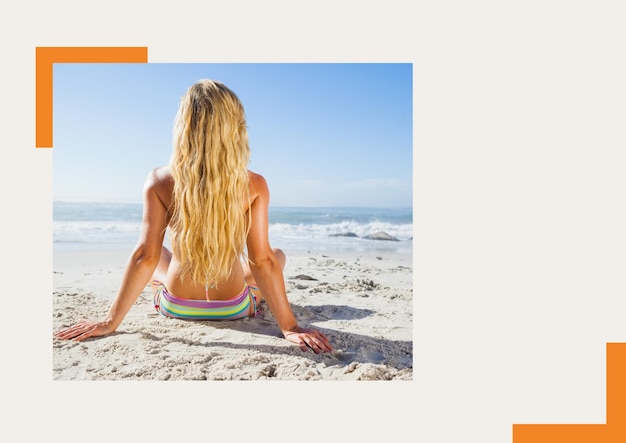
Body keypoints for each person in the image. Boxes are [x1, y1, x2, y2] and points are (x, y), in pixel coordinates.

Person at [54, 79, 333, 354]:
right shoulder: (254, 184)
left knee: (159, 253)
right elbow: (262, 260)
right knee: (277, 255)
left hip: (175, 305)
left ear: (184, 127)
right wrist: (290, 327)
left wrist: (110, 321)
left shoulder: (159, 180)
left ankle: (159, 286)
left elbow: (144, 257)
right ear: (234, 127)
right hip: (233, 307)